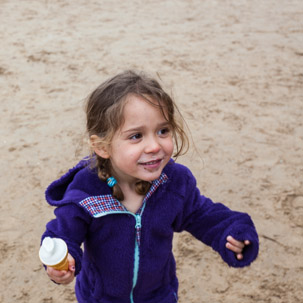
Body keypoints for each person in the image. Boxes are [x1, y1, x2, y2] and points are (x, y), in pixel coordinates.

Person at [41, 70, 259, 303]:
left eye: (162, 131)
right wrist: (63, 261)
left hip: (159, 295)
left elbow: (201, 214)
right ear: (102, 146)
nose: (154, 146)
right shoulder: (86, 191)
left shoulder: (172, 182)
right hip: (100, 298)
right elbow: (61, 234)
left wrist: (232, 230)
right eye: (136, 136)